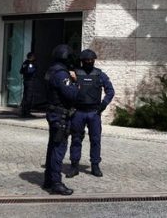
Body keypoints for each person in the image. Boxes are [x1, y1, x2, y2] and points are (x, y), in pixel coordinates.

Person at [65, 49, 115, 178]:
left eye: (91, 60)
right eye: (86, 60)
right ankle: (74, 165)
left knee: (95, 140)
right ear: (82, 61)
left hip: (94, 112)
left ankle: (95, 165)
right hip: (78, 112)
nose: (89, 62)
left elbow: (110, 91)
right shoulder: (75, 74)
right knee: (76, 139)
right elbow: (66, 91)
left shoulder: (99, 74)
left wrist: (103, 105)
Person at [42, 44, 78, 195]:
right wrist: (76, 83)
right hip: (60, 116)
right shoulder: (62, 74)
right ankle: (56, 183)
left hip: (53, 113)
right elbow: (72, 94)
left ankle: (48, 180)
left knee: (52, 147)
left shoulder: (51, 70)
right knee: (59, 149)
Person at [19, 52, 37, 117]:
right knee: (29, 97)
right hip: (30, 81)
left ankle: (23, 112)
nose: (35, 57)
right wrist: (33, 69)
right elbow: (30, 71)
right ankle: (27, 112)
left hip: (26, 81)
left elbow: (21, 71)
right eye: (34, 56)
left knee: (25, 96)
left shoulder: (25, 63)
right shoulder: (30, 63)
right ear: (31, 57)